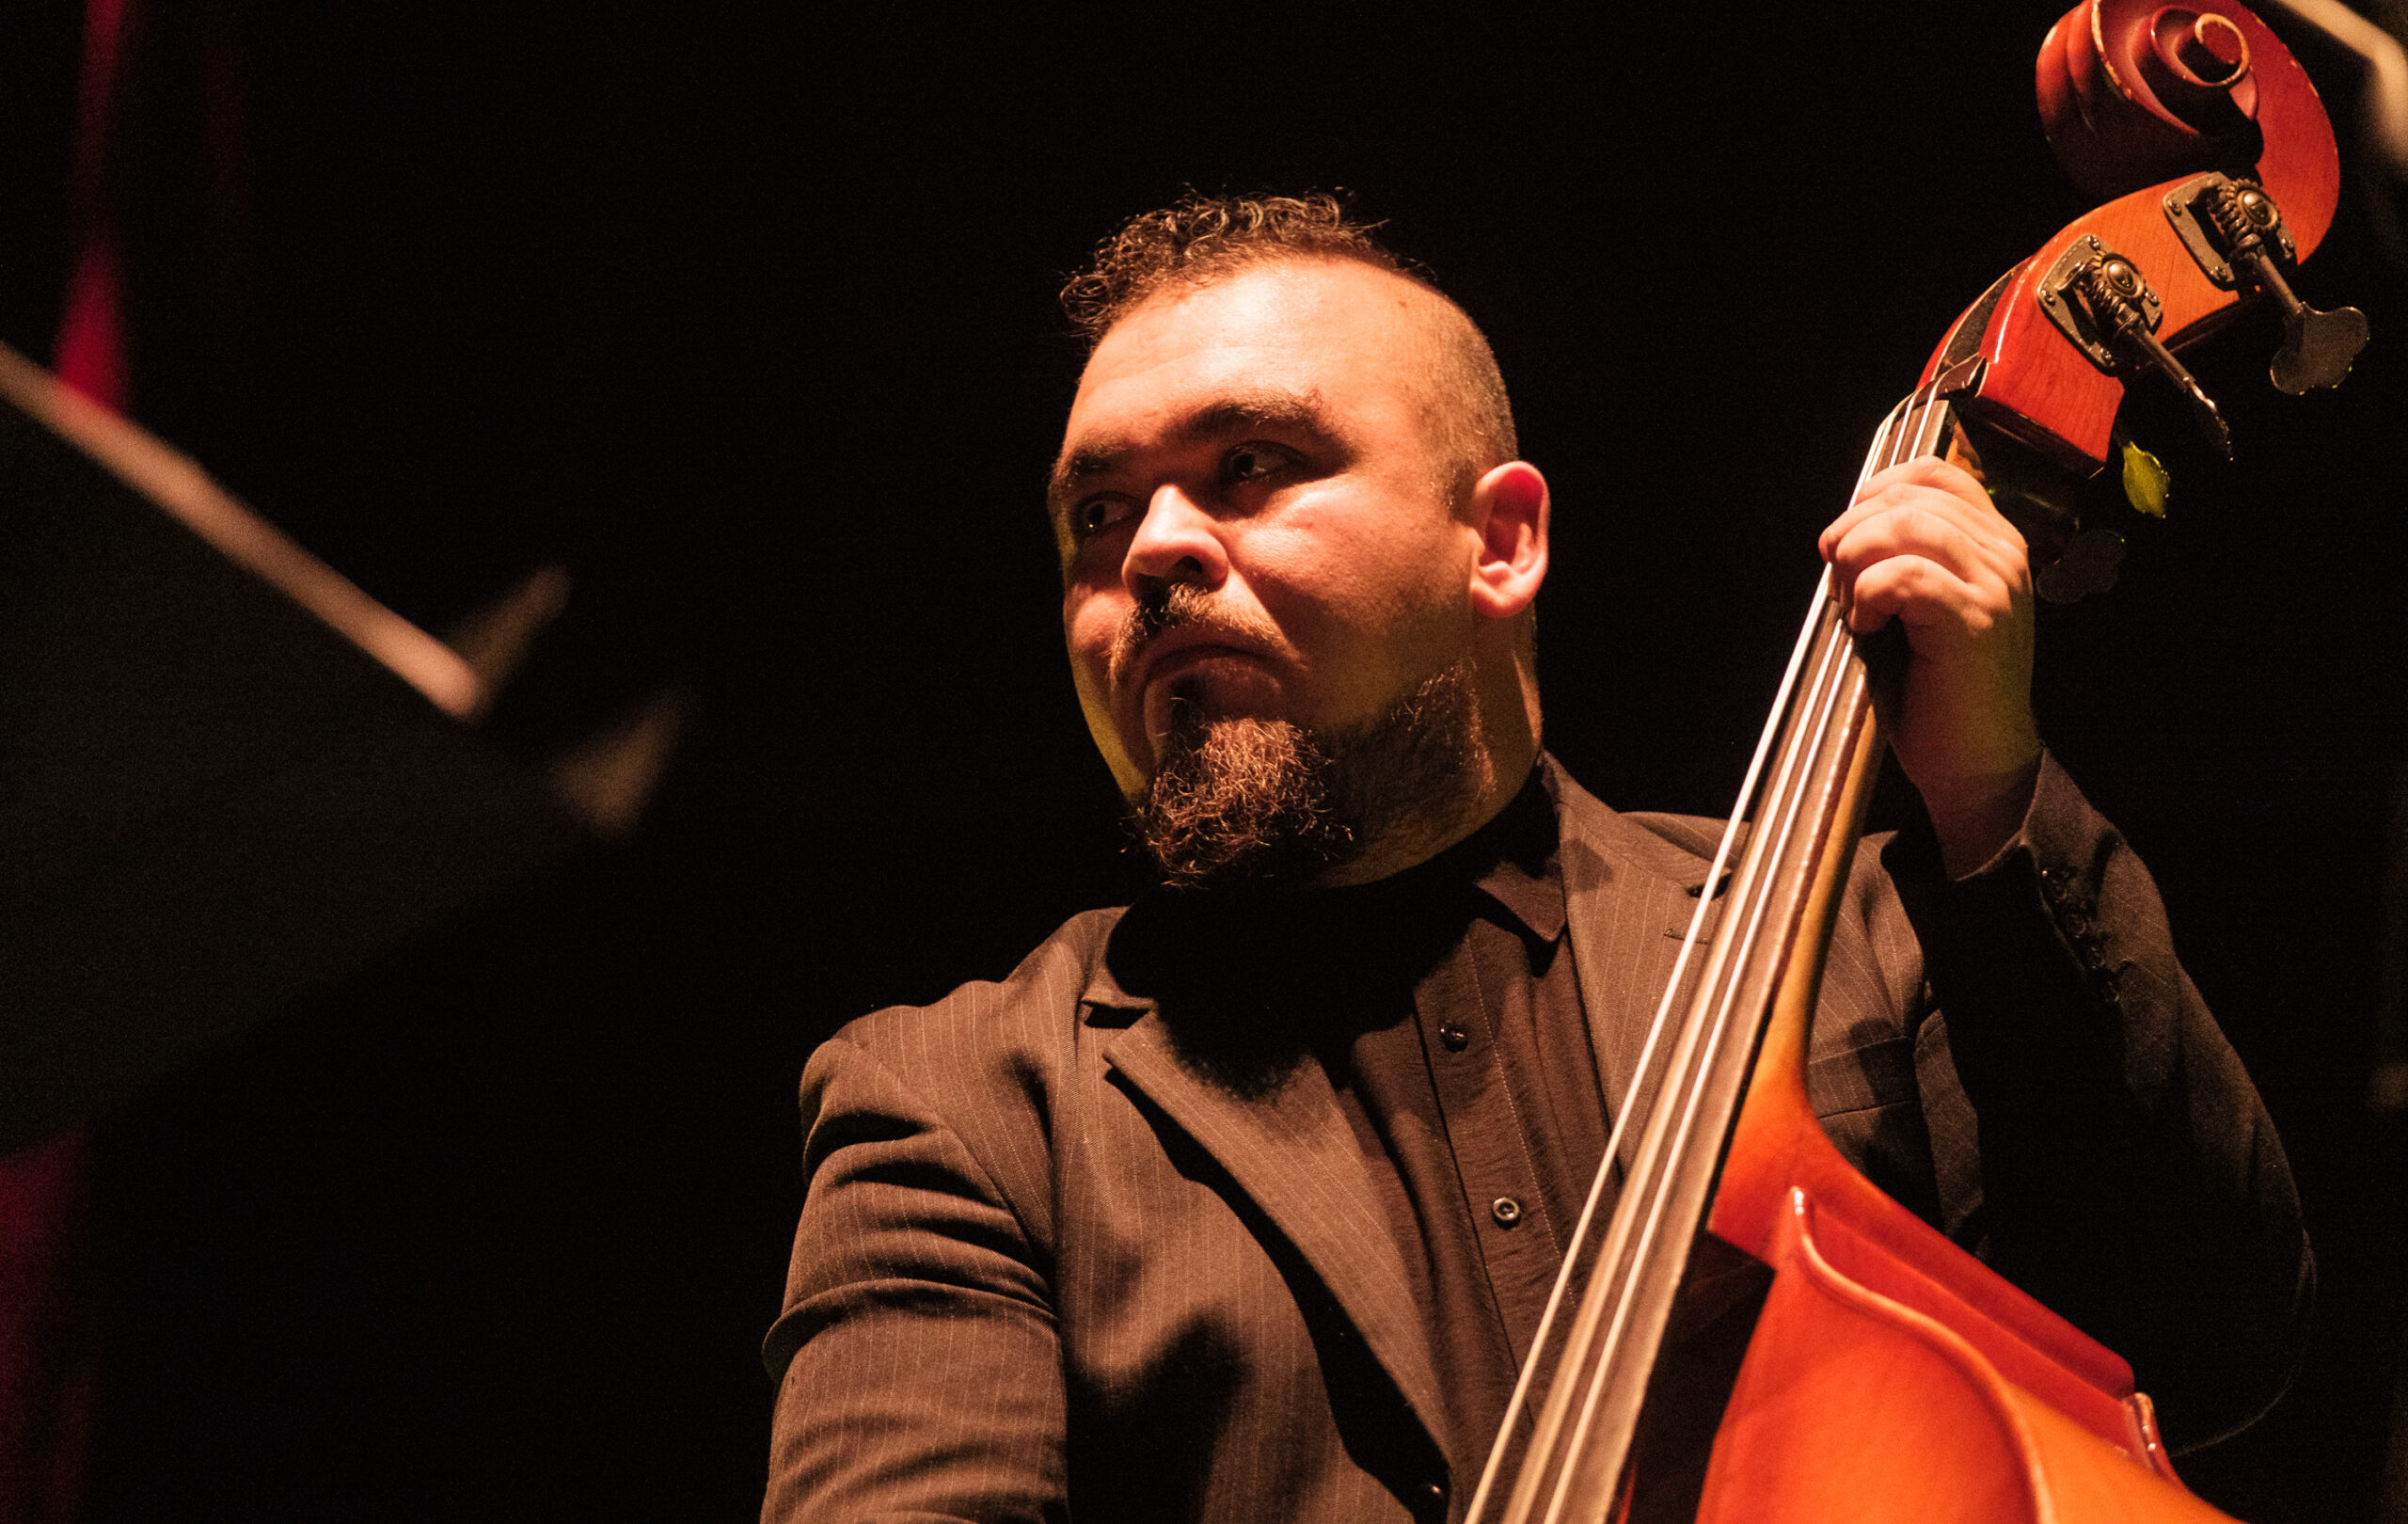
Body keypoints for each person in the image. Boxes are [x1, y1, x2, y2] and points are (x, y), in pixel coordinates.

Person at [760, 195, 2310, 1523]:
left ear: (1500, 544)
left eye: (1251, 466)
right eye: (1097, 513)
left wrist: (1987, 793)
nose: (1151, 550)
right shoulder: (970, 1109)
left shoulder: (1853, 933)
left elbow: (2208, 1347)